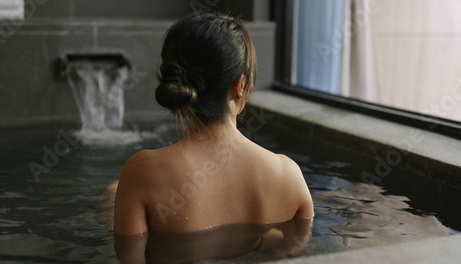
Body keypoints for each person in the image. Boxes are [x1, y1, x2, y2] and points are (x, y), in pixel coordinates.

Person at [113, 12, 314, 263]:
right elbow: (295, 253)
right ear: (240, 85)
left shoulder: (141, 172)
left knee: (109, 195)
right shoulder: (289, 175)